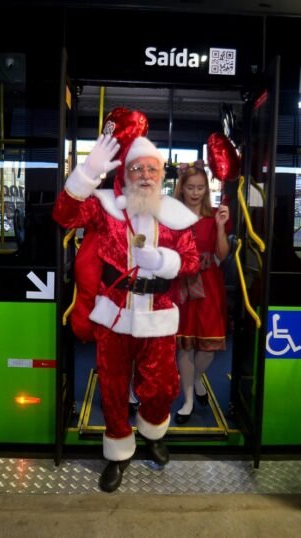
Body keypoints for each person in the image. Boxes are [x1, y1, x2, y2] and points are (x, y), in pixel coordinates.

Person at [53, 133, 199, 492]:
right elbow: (64, 215)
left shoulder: (175, 216)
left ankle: (152, 432)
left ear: (162, 174)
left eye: (152, 168)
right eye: (137, 168)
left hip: (159, 316)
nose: (145, 175)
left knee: (162, 387)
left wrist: (166, 261)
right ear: (126, 174)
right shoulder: (104, 207)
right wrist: (87, 172)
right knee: (115, 389)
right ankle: (118, 453)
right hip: (114, 314)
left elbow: (193, 261)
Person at [172, 162, 231, 424]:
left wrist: (220, 227)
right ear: (181, 188)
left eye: (200, 188)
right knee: (184, 345)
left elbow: (222, 255)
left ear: (206, 189)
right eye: (190, 187)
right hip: (181, 283)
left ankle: (196, 379)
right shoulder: (171, 215)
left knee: (208, 347)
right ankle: (186, 399)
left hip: (209, 286)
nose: (195, 192)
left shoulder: (216, 214)